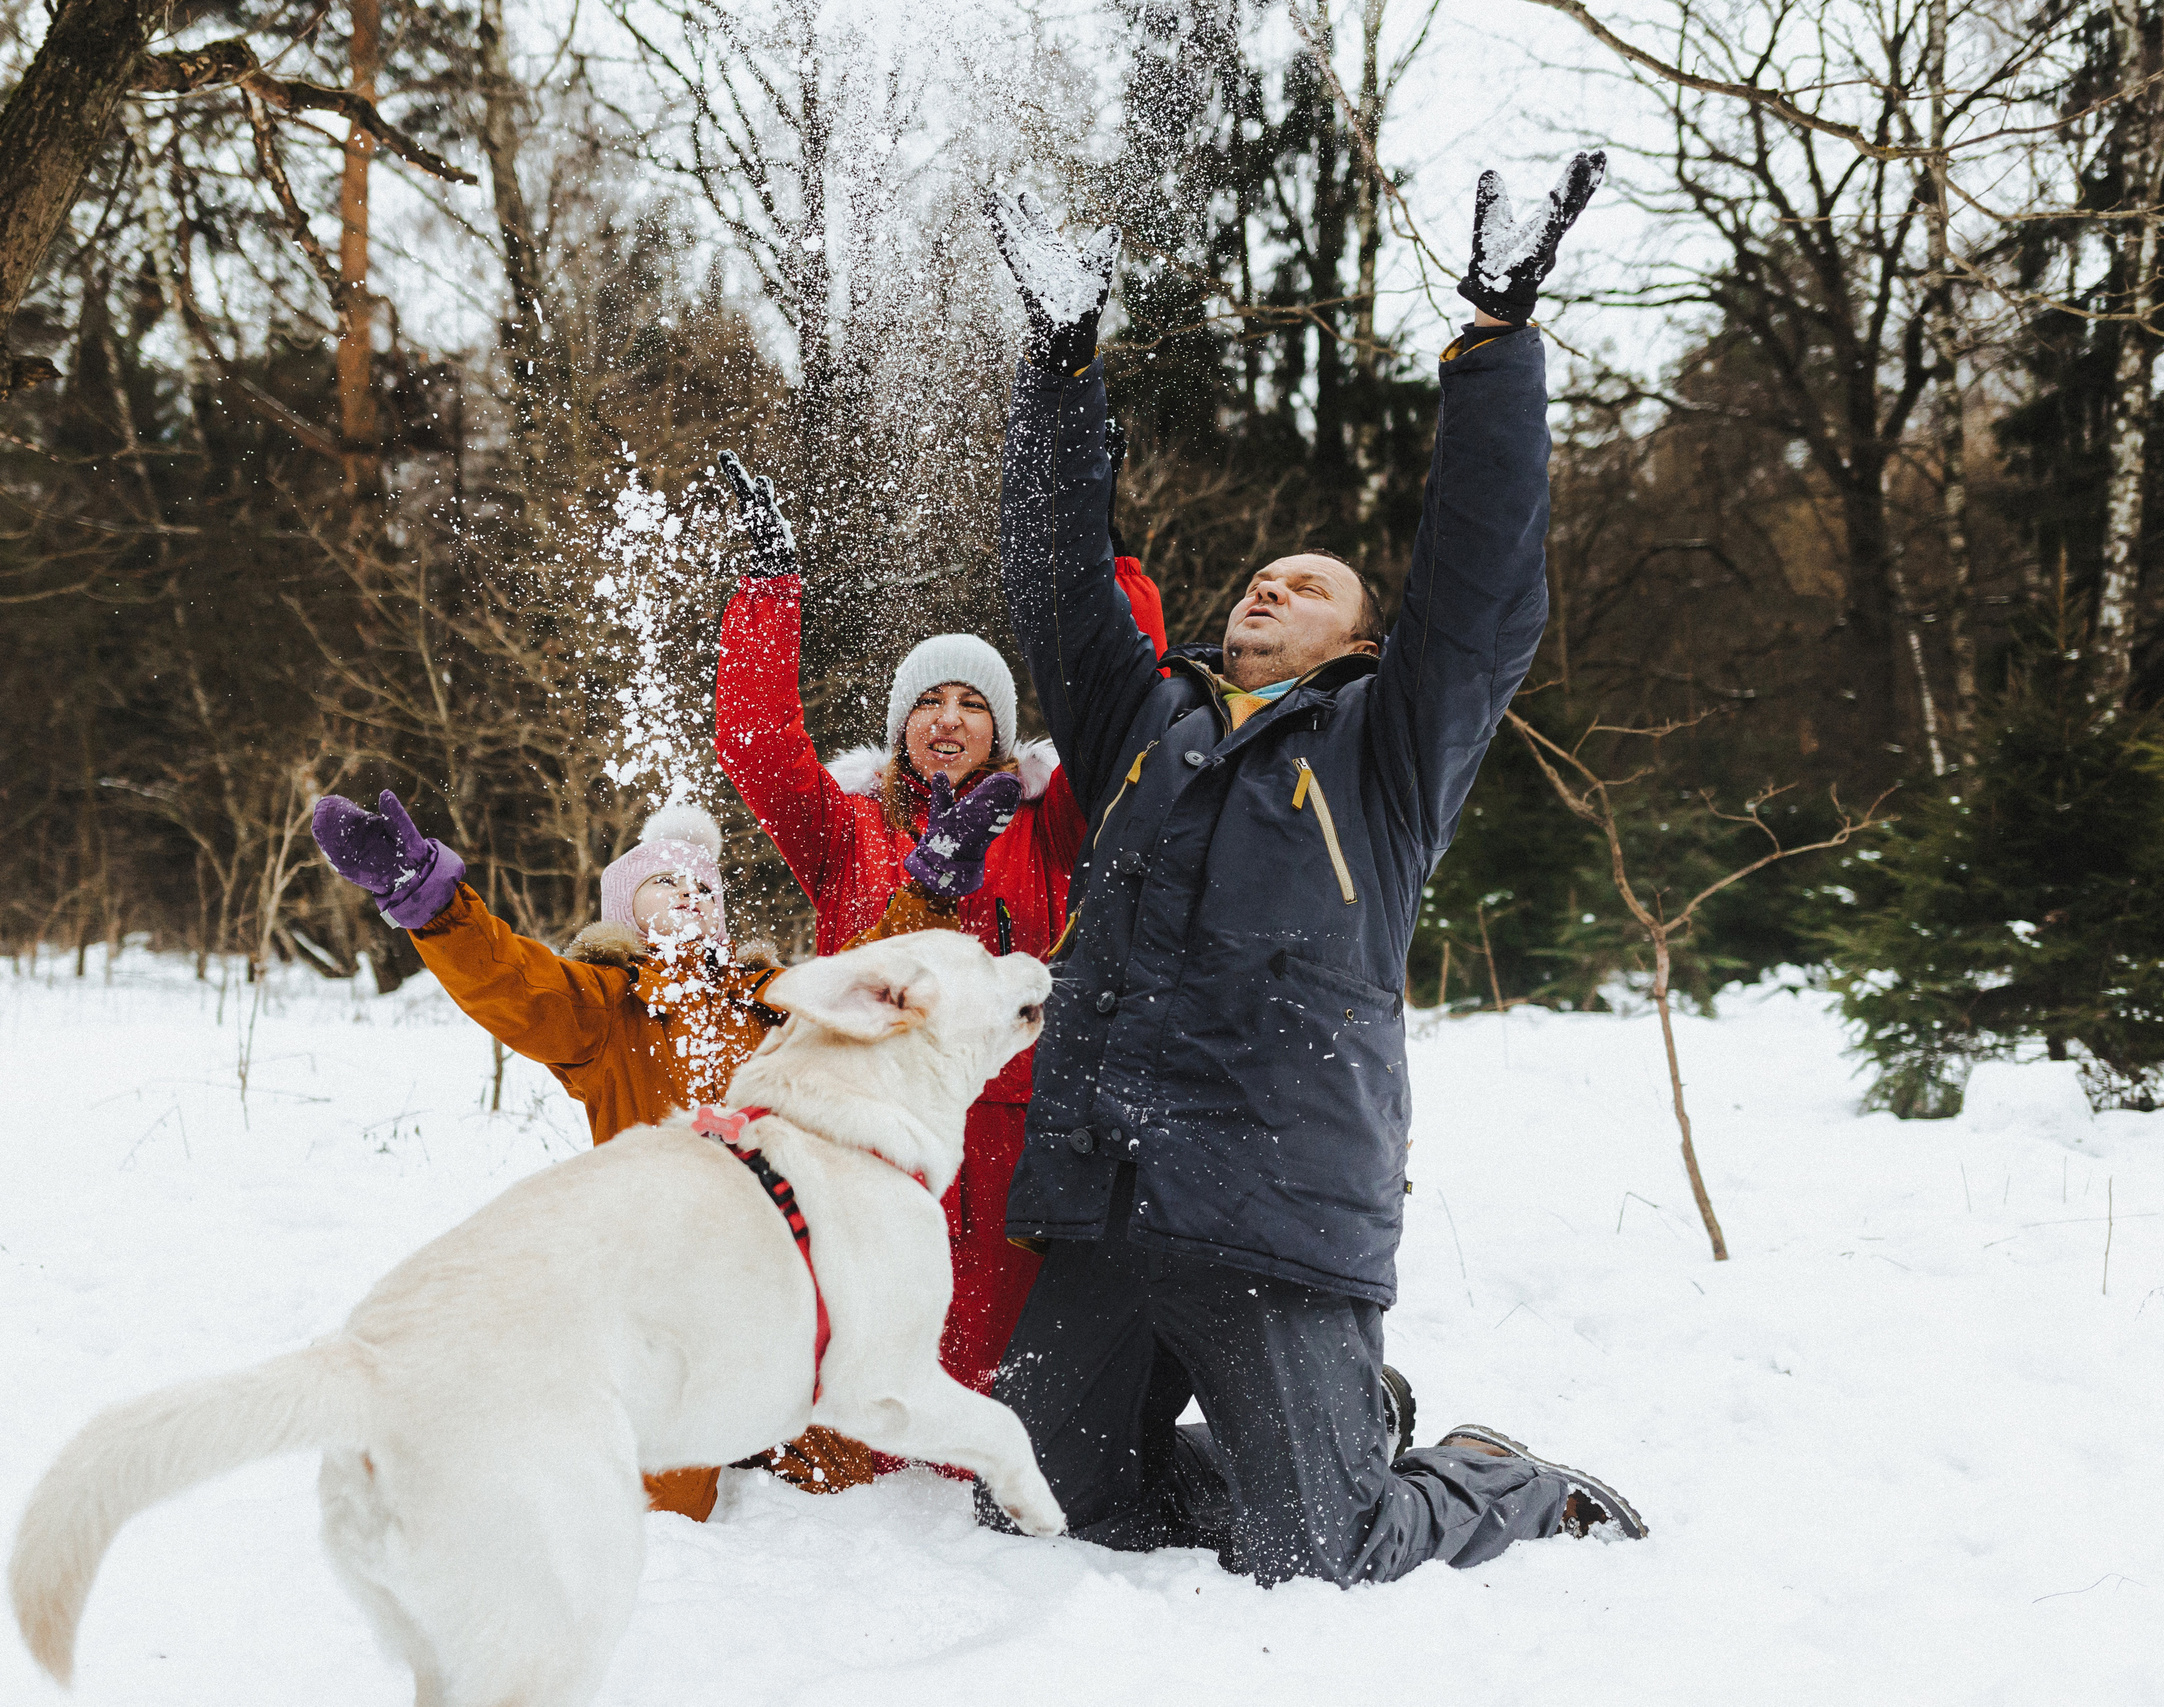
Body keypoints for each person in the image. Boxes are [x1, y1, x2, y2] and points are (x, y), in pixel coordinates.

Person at [977, 155, 1646, 1587]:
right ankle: (1338, 1427)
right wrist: (1060, 366)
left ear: (1355, 642)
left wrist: (1499, 338)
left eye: (1312, 582)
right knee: (1040, 1506)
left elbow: (1479, 586)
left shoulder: (1389, 745)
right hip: (1105, 1195)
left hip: (1271, 1203)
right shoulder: (1141, 723)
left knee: (1320, 1547)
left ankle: (1483, 1471)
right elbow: (1055, 576)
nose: (1270, 585)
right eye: (1259, 576)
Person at [709, 450, 1165, 1399]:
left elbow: (1127, 716)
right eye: (928, 702)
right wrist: (767, 589)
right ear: (898, 726)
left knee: (999, 1362)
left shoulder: (1053, 819)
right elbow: (755, 743)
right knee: (861, 1345)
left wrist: (1110, 567)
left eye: (972, 705)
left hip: (1013, 1123)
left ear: (1001, 730)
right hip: (865, 1118)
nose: (948, 721)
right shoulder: (846, 827)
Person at [307, 789, 872, 1520]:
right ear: (627, 909)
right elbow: (513, 979)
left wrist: (927, 886)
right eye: (665, 881)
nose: (690, 894)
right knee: (662, 1509)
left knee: (853, 1477)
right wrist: (434, 902)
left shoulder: (770, 1001)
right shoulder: (606, 1007)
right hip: (665, 1288)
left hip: (781, 1284)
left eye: (704, 885)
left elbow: (875, 1006)